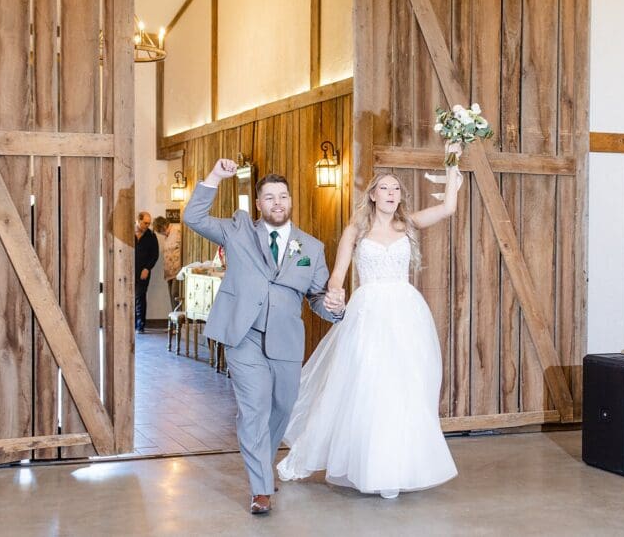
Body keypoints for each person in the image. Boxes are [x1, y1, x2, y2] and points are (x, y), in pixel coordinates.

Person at [276, 144, 462, 500]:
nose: (391, 193)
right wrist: (335, 293)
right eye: (385, 188)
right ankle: (352, 461)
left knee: (404, 386)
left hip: (406, 313)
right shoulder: (355, 231)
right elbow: (337, 275)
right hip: (369, 314)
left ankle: (396, 467)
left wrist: (453, 158)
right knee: (365, 384)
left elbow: (448, 207)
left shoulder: (407, 225)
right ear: (373, 195)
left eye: (396, 189)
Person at [183, 160, 344, 516]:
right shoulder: (237, 230)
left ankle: (263, 465)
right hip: (244, 336)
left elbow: (318, 297)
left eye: (282, 196)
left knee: (282, 407)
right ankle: (261, 489)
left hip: (286, 340)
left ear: (290, 201)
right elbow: (193, 217)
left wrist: (335, 308)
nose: (277, 203)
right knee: (254, 408)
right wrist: (214, 177)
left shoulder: (311, 248)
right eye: (269, 197)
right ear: (258, 204)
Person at [134, 211, 159, 334]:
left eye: (149, 223)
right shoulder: (127, 232)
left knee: (140, 297)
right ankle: (129, 324)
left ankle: (140, 325)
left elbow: (155, 255)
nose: (147, 226)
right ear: (138, 220)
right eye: (145, 223)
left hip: (143, 272)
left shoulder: (151, 236)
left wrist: (147, 268)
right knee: (128, 298)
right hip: (127, 272)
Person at [153, 216, 182, 304]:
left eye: (159, 231)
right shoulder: (167, 236)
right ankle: (174, 312)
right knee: (171, 296)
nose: (161, 234)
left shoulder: (177, 231)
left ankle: (178, 312)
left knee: (175, 294)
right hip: (169, 272)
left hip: (177, 270)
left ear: (163, 227)